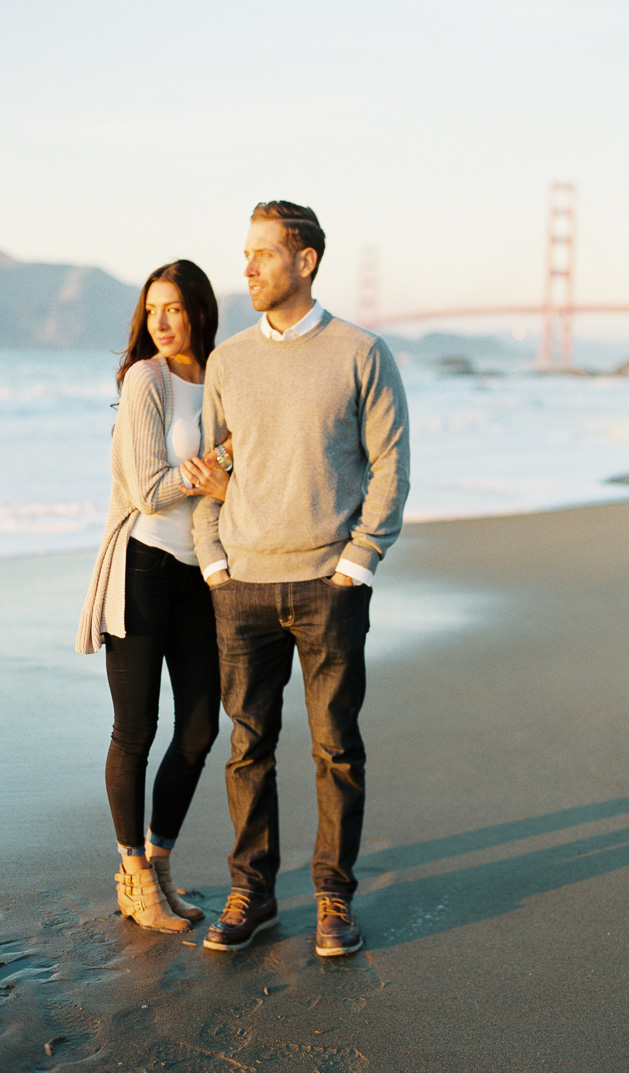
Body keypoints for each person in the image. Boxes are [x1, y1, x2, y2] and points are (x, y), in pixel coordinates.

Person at [193, 201, 410, 955]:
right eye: (244, 253)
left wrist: (359, 560)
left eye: (262, 253)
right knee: (247, 746)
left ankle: (331, 897)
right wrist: (214, 561)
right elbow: (209, 469)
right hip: (242, 585)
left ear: (306, 260)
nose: (246, 267)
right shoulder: (227, 362)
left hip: (329, 583)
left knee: (335, 747)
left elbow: (390, 465)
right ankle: (253, 893)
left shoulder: (361, 352)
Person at [77, 260, 230, 933]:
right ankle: (133, 871)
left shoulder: (222, 378)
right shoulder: (146, 380)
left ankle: (160, 861)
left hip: (201, 573)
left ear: (199, 311)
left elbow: (242, 466)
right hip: (141, 568)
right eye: (152, 309)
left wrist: (210, 474)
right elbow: (147, 489)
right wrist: (205, 472)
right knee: (135, 729)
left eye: (174, 308)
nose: (161, 322)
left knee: (198, 728)